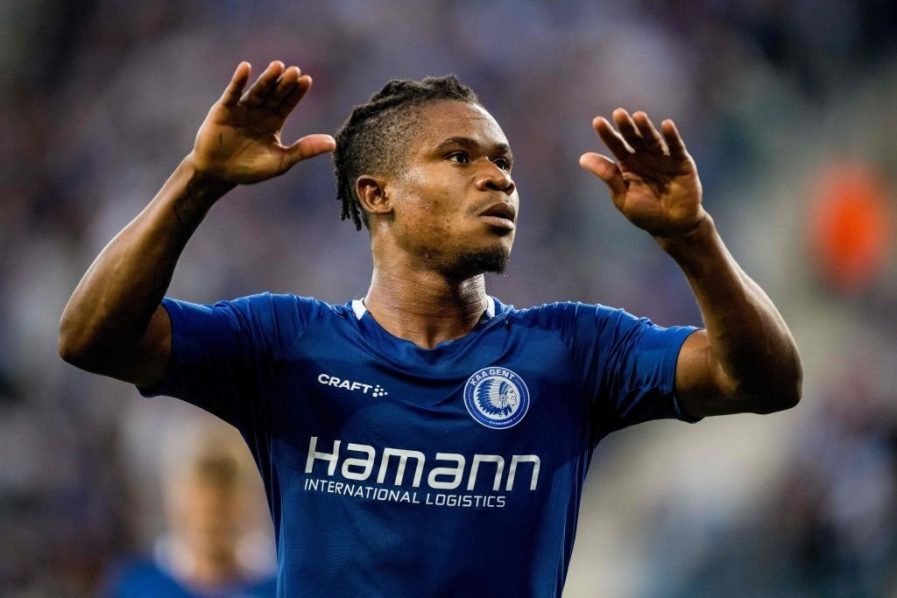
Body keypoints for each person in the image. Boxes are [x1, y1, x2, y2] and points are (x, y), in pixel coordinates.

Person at [59, 60, 802, 596]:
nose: (498, 177)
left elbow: (765, 381)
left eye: (503, 162)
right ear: (376, 193)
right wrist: (200, 180)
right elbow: (92, 338)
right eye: (459, 156)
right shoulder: (283, 345)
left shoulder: (573, 350)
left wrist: (691, 236)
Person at [103, 421, 276, 597]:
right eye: (201, 510)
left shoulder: (278, 585)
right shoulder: (137, 586)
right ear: (176, 503)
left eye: (221, 512)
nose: (209, 524)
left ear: (247, 506)